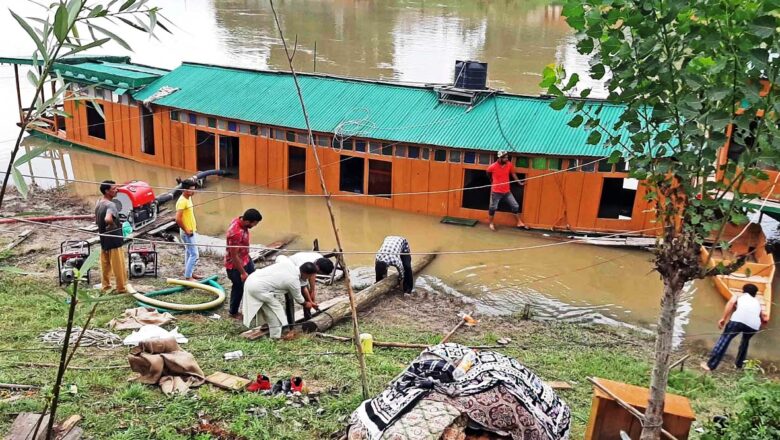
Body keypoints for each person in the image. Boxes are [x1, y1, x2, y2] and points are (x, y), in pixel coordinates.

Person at [242, 256, 318, 339]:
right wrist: (306, 303)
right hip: (258, 288)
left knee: (267, 308)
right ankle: (275, 338)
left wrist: (310, 302)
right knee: (277, 314)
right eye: (309, 276)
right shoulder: (293, 280)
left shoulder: (289, 264)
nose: (308, 278)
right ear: (306, 274)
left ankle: (266, 324)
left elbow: (280, 257)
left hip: (252, 279)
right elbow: (299, 298)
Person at [701, 284, 768, 371]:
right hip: (754, 326)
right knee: (745, 342)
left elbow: (731, 303)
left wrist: (723, 319)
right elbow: (763, 319)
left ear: (743, 291)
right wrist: (764, 320)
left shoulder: (738, 296)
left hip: (737, 321)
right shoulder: (757, 302)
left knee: (724, 340)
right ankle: (739, 365)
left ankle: (710, 365)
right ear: (755, 294)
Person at [94, 180, 134, 294]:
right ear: (107, 191)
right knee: (118, 265)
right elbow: (108, 218)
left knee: (105, 264)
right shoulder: (111, 204)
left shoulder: (99, 202)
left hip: (103, 238)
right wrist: (111, 225)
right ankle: (121, 288)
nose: (117, 190)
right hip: (114, 239)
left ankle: (105, 286)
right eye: (114, 188)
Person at [225, 209, 263, 320]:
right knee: (239, 288)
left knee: (253, 283)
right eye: (255, 223)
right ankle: (233, 312)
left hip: (246, 259)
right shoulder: (236, 233)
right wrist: (242, 272)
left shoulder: (241, 222)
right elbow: (234, 256)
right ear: (248, 222)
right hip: (235, 266)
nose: (255, 226)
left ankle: (252, 308)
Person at [486, 150, 526, 231]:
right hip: (496, 191)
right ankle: (491, 223)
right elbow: (488, 172)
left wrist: (519, 182)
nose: (507, 159)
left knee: (515, 206)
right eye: (505, 158)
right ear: (500, 158)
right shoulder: (492, 166)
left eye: (507, 157)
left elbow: (513, 173)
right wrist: (492, 181)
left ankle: (519, 222)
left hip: (506, 191)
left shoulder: (509, 164)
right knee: (493, 208)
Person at [289, 252, 335, 319]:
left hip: (304, 271)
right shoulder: (304, 266)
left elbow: (313, 275)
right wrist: (310, 302)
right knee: (292, 298)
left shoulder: (320, 259)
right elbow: (303, 287)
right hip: (291, 272)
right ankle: (301, 319)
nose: (319, 274)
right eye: (320, 273)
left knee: (310, 293)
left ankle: (308, 315)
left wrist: (312, 291)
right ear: (317, 268)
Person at [175, 179, 201, 281]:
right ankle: (188, 277)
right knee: (194, 254)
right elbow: (177, 219)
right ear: (184, 190)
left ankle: (189, 272)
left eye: (194, 189)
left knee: (189, 252)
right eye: (191, 189)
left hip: (190, 230)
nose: (193, 191)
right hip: (187, 232)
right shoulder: (182, 201)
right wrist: (186, 230)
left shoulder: (188, 198)